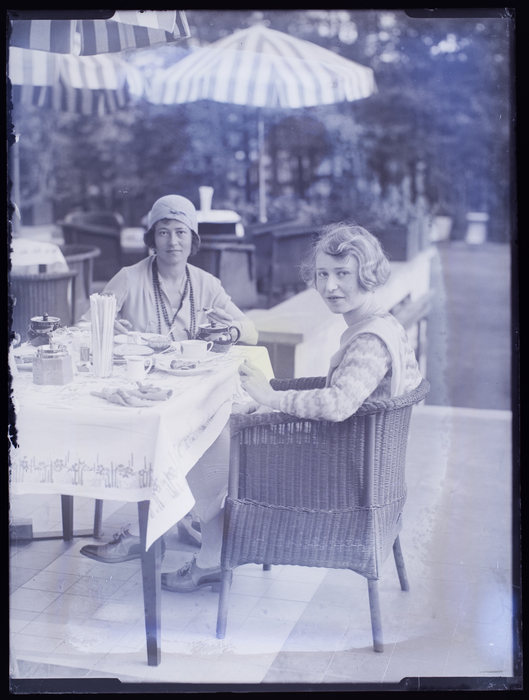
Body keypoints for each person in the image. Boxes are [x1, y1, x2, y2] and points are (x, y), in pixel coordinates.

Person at [79, 195, 258, 571]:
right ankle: (151, 530)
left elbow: (251, 330)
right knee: (158, 434)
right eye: (163, 232)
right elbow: (87, 324)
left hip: (190, 392)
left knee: (212, 431)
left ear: (193, 239)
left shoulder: (206, 284)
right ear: (152, 238)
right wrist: (109, 325)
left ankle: (179, 521)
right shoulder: (130, 277)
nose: (172, 241)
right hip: (141, 391)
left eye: (180, 232)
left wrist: (229, 330)